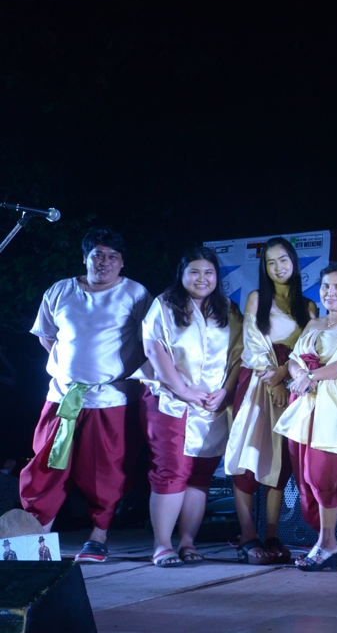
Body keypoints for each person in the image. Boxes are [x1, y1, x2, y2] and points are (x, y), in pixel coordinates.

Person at [20, 228, 152, 564]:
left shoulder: (135, 293)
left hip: (111, 398)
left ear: (122, 262)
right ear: (85, 257)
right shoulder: (60, 290)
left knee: (105, 471)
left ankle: (98, 536)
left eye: (112, 256)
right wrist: (72, 370)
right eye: (97, 255)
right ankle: (36, 538)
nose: (104, 262)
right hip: (63, 396)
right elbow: (47, 336)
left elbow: (150, 342)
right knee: (47, 465)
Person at [138, 248, 243, 567]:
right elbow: (154, 349)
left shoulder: (227, 308)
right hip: (171, 400)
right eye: (194, 272)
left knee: (201, 473)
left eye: (208, 272)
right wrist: (183, 390)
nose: (202, 279)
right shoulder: (165, 304)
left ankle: (187, 542)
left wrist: (226, 391)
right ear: (182, 275)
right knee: (171, 471)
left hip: (212, 405)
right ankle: (162, 545)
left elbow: (238, 354)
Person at [224, 237, 317, 564]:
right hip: (257, 384)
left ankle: (273, 533)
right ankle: (248, 534)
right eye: (271, 262)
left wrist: (283, 376)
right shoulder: (256, 299)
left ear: (294, 262)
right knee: (250, 456)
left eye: (283, 260)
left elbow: (308, 352)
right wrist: (271, 377)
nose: (278, 267)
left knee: (280, 461)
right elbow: (252, 344)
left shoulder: (308, 307)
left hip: (290, 385)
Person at [275, 263, 337, 571]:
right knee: (303, 473)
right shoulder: (314, 323)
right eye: (326, 286)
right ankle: (323, 540)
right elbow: (293, 359)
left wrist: (311, 376)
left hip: (333, 404)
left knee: (324, 471)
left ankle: (329, 542)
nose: (331, 292)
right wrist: (299, 374)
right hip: (303, 404)